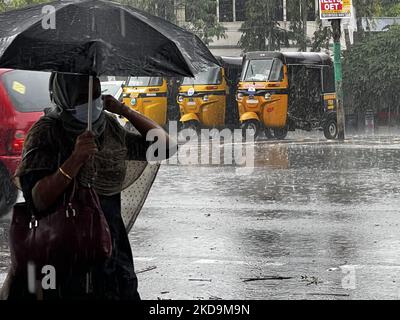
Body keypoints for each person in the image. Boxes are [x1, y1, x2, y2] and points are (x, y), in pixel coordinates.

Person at [1, 72, 175, 300]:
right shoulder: (46, 132)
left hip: (109, 244)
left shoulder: (109, 128)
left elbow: (164, 147)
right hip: (63, 247)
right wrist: (75, 160)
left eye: (96, 94)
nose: (92, 103)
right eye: (82, 96)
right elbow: (38, 200)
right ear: (65, 96)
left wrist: (125, 111)